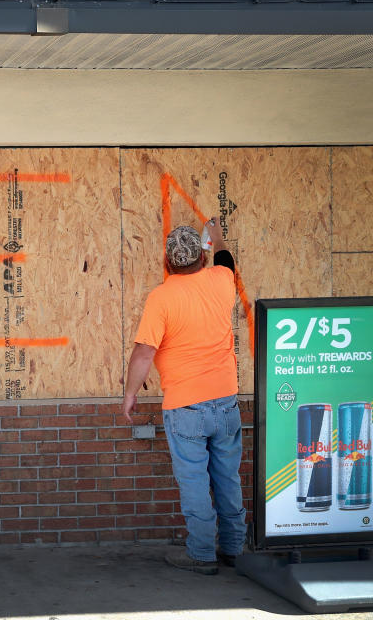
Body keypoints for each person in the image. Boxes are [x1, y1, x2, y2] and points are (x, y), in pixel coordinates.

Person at [122, 218, 246, 576]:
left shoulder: (161, 297)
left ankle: (202, 554)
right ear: (202, 259)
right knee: (228, 478)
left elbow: (145, 352)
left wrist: (131, 393)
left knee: (194, 481)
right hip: (225, 402)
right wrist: (216, 233)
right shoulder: (223, 279)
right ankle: (234, 548)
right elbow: (225, 256)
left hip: (186, 406)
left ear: (167, 262)